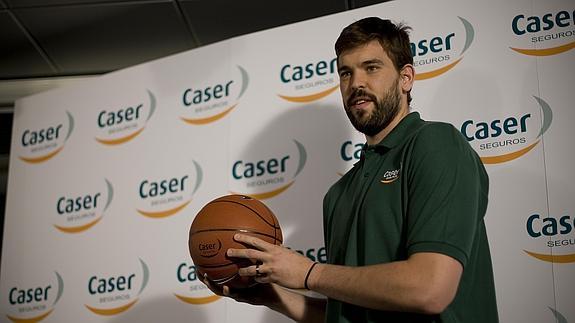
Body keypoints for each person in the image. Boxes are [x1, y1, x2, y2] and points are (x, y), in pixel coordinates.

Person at [200, 17, 499, 323]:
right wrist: (272, 297)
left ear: (406, 77)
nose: (356, 83)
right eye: (346, 72)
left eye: (371, 68)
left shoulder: (435, 144)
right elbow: (344, 314)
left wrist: (309, 273)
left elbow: (430, 288)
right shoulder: (338, 195)